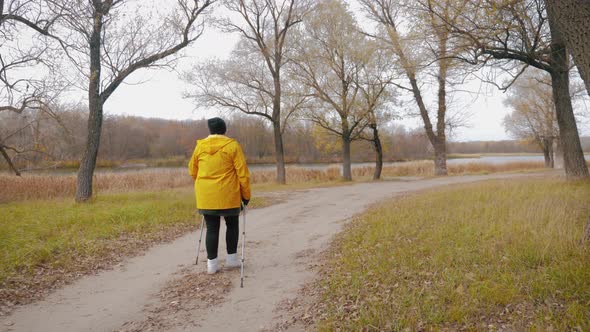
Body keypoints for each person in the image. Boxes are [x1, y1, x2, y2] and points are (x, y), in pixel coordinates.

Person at [188, 117, 251, 274]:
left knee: (212, 228)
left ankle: (212, 266)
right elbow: (242, 173)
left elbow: (192, 170)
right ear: (225, 130)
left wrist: (204, 184)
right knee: (232, 225)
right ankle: (231, 260)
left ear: (210, 130)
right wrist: (246, 195)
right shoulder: (232, 146)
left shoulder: (200, 147)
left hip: (206, 196)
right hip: (228, 194)